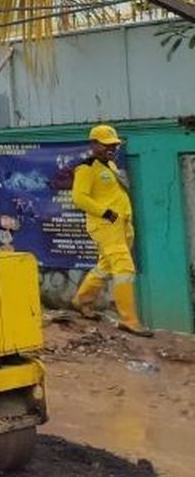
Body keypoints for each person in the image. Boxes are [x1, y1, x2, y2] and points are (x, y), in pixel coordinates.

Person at [70, 125, 152, 337]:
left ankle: (81, 300)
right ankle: (129, 320)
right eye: (106, 145)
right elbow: (79, 198)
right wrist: (106, 213)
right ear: (94, 144)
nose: (112, 148)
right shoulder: (86, 168)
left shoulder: (111, 165)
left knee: (105, 266)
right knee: (124, 267)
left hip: (122, 225)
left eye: (114, 145)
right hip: (105, 225)